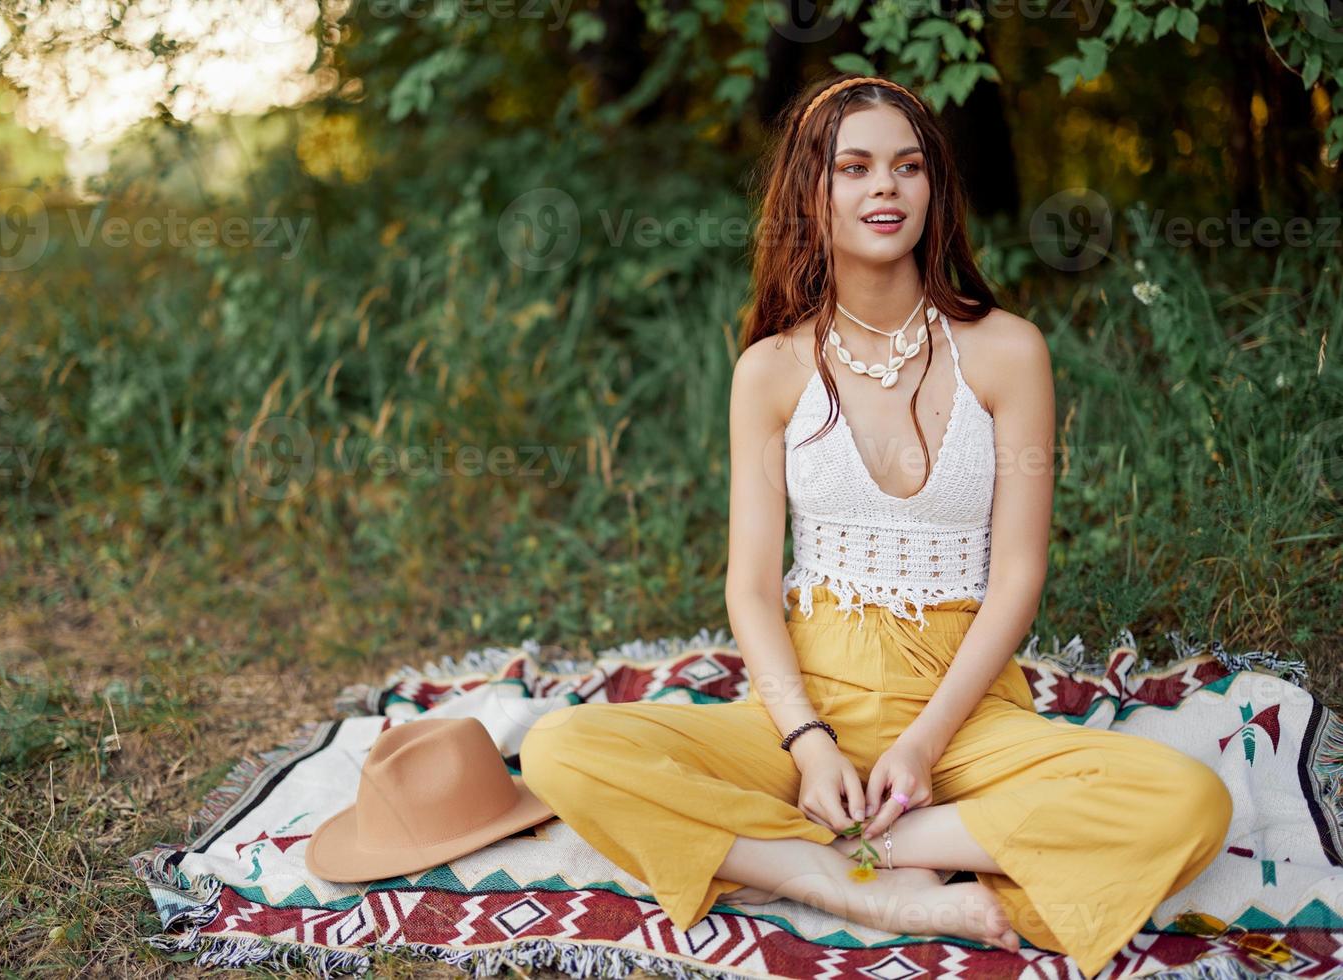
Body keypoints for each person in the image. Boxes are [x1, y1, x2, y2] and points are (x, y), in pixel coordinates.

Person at [518, 74, 1232, 979]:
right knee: (561, 749)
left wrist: (924, 746)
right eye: (853, 168)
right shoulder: (770, 371)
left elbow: (1015, 579)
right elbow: (749, 587)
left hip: (963, 707)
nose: (884, 188)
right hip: (811, 695)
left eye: (907, 167)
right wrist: (806, 744)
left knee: (1188, 801)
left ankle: (880, 849)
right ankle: (844, 884)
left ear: (936, 189)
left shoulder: (1009, 352)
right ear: (811, 196)